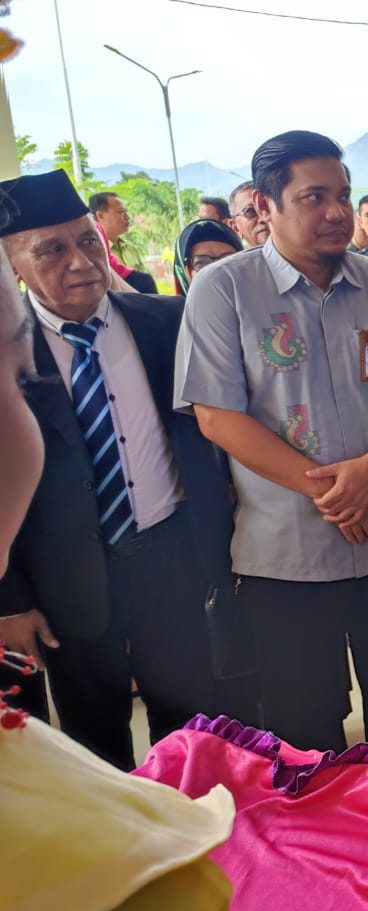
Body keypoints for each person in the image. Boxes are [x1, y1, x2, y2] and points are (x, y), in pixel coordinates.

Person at [174, 131, 368, 759]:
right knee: (304, 731)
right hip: (284, 559)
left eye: (341, 195)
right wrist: (338, 493)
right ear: (265, 203)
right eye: (314, 197)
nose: (336, 212)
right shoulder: (224, 289)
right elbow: (216, 416)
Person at [0, 170, 236, 770]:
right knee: (93, 742)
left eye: (86, 240)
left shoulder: (167, 322)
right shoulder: (6, 357)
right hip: (63, 583)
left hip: (172, 560)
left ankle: (198, 848)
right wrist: (11, 601)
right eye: (51, 249)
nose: (80, 261)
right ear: (12, 265)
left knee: (191, 730)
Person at [174, 218, 243, 296]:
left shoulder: (257, 304)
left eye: (227, 260)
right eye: (201, 263)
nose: (216, 272)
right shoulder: (171, 308)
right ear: (185, 273)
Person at [228, 180, 270, 248]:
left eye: (268, 208)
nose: (263, 218)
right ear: (235, 228)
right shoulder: (237, 259)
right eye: (250, 211)